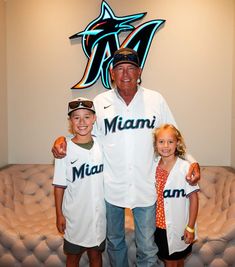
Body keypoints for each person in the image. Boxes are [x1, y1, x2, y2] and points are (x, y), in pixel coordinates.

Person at [52, 48, 200, 267]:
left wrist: (192, 160)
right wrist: (62, 140)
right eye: (120, 69)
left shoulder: (155, 100)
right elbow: (84, 130)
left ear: (139, 71)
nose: (125, 74)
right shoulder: (101, 102)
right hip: (111, 187)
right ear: (112, 73)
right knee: (114, 242)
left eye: (131, 68)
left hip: (145, 185)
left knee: (147, 248)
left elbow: (174, 134)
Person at [53, 97, 106, 267]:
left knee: (96, 256)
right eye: (76, 117)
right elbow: (59, 185)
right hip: (75, 216)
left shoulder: (102, 145)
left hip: (98, 216)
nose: (82, 122)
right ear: (70, 121)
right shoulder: (64, 150)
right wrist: (59, 214)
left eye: (87, 116)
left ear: (94, 119)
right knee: (73, 258)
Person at [153, 124, 199, 267]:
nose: (165, 146)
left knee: (177, 261)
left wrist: (190, 227)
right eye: (161, 142)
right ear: (155, 144)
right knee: (172, 261)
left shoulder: (185, 167)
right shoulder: (152, 166)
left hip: (179, 226)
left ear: (177, 143)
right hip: (159, 227)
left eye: (170, 142)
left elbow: (194, 199)